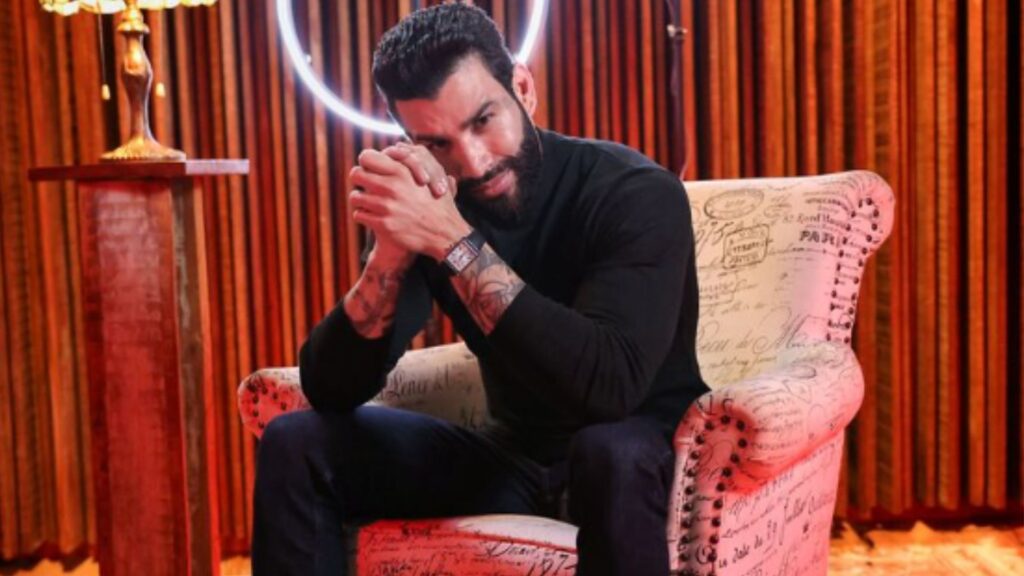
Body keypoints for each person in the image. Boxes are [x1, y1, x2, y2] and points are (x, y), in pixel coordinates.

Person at [252, 4, 708, 575]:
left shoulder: (635, 193)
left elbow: (608, 388)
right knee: (295, 442)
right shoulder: (438, 205)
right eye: (437, 143)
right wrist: (389, 257)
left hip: (637, 455)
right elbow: (330, 389)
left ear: (523, 88)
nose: (473, 161)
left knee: (608, 450)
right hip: (515, 459)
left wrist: (453, 241)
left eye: (483, 120)